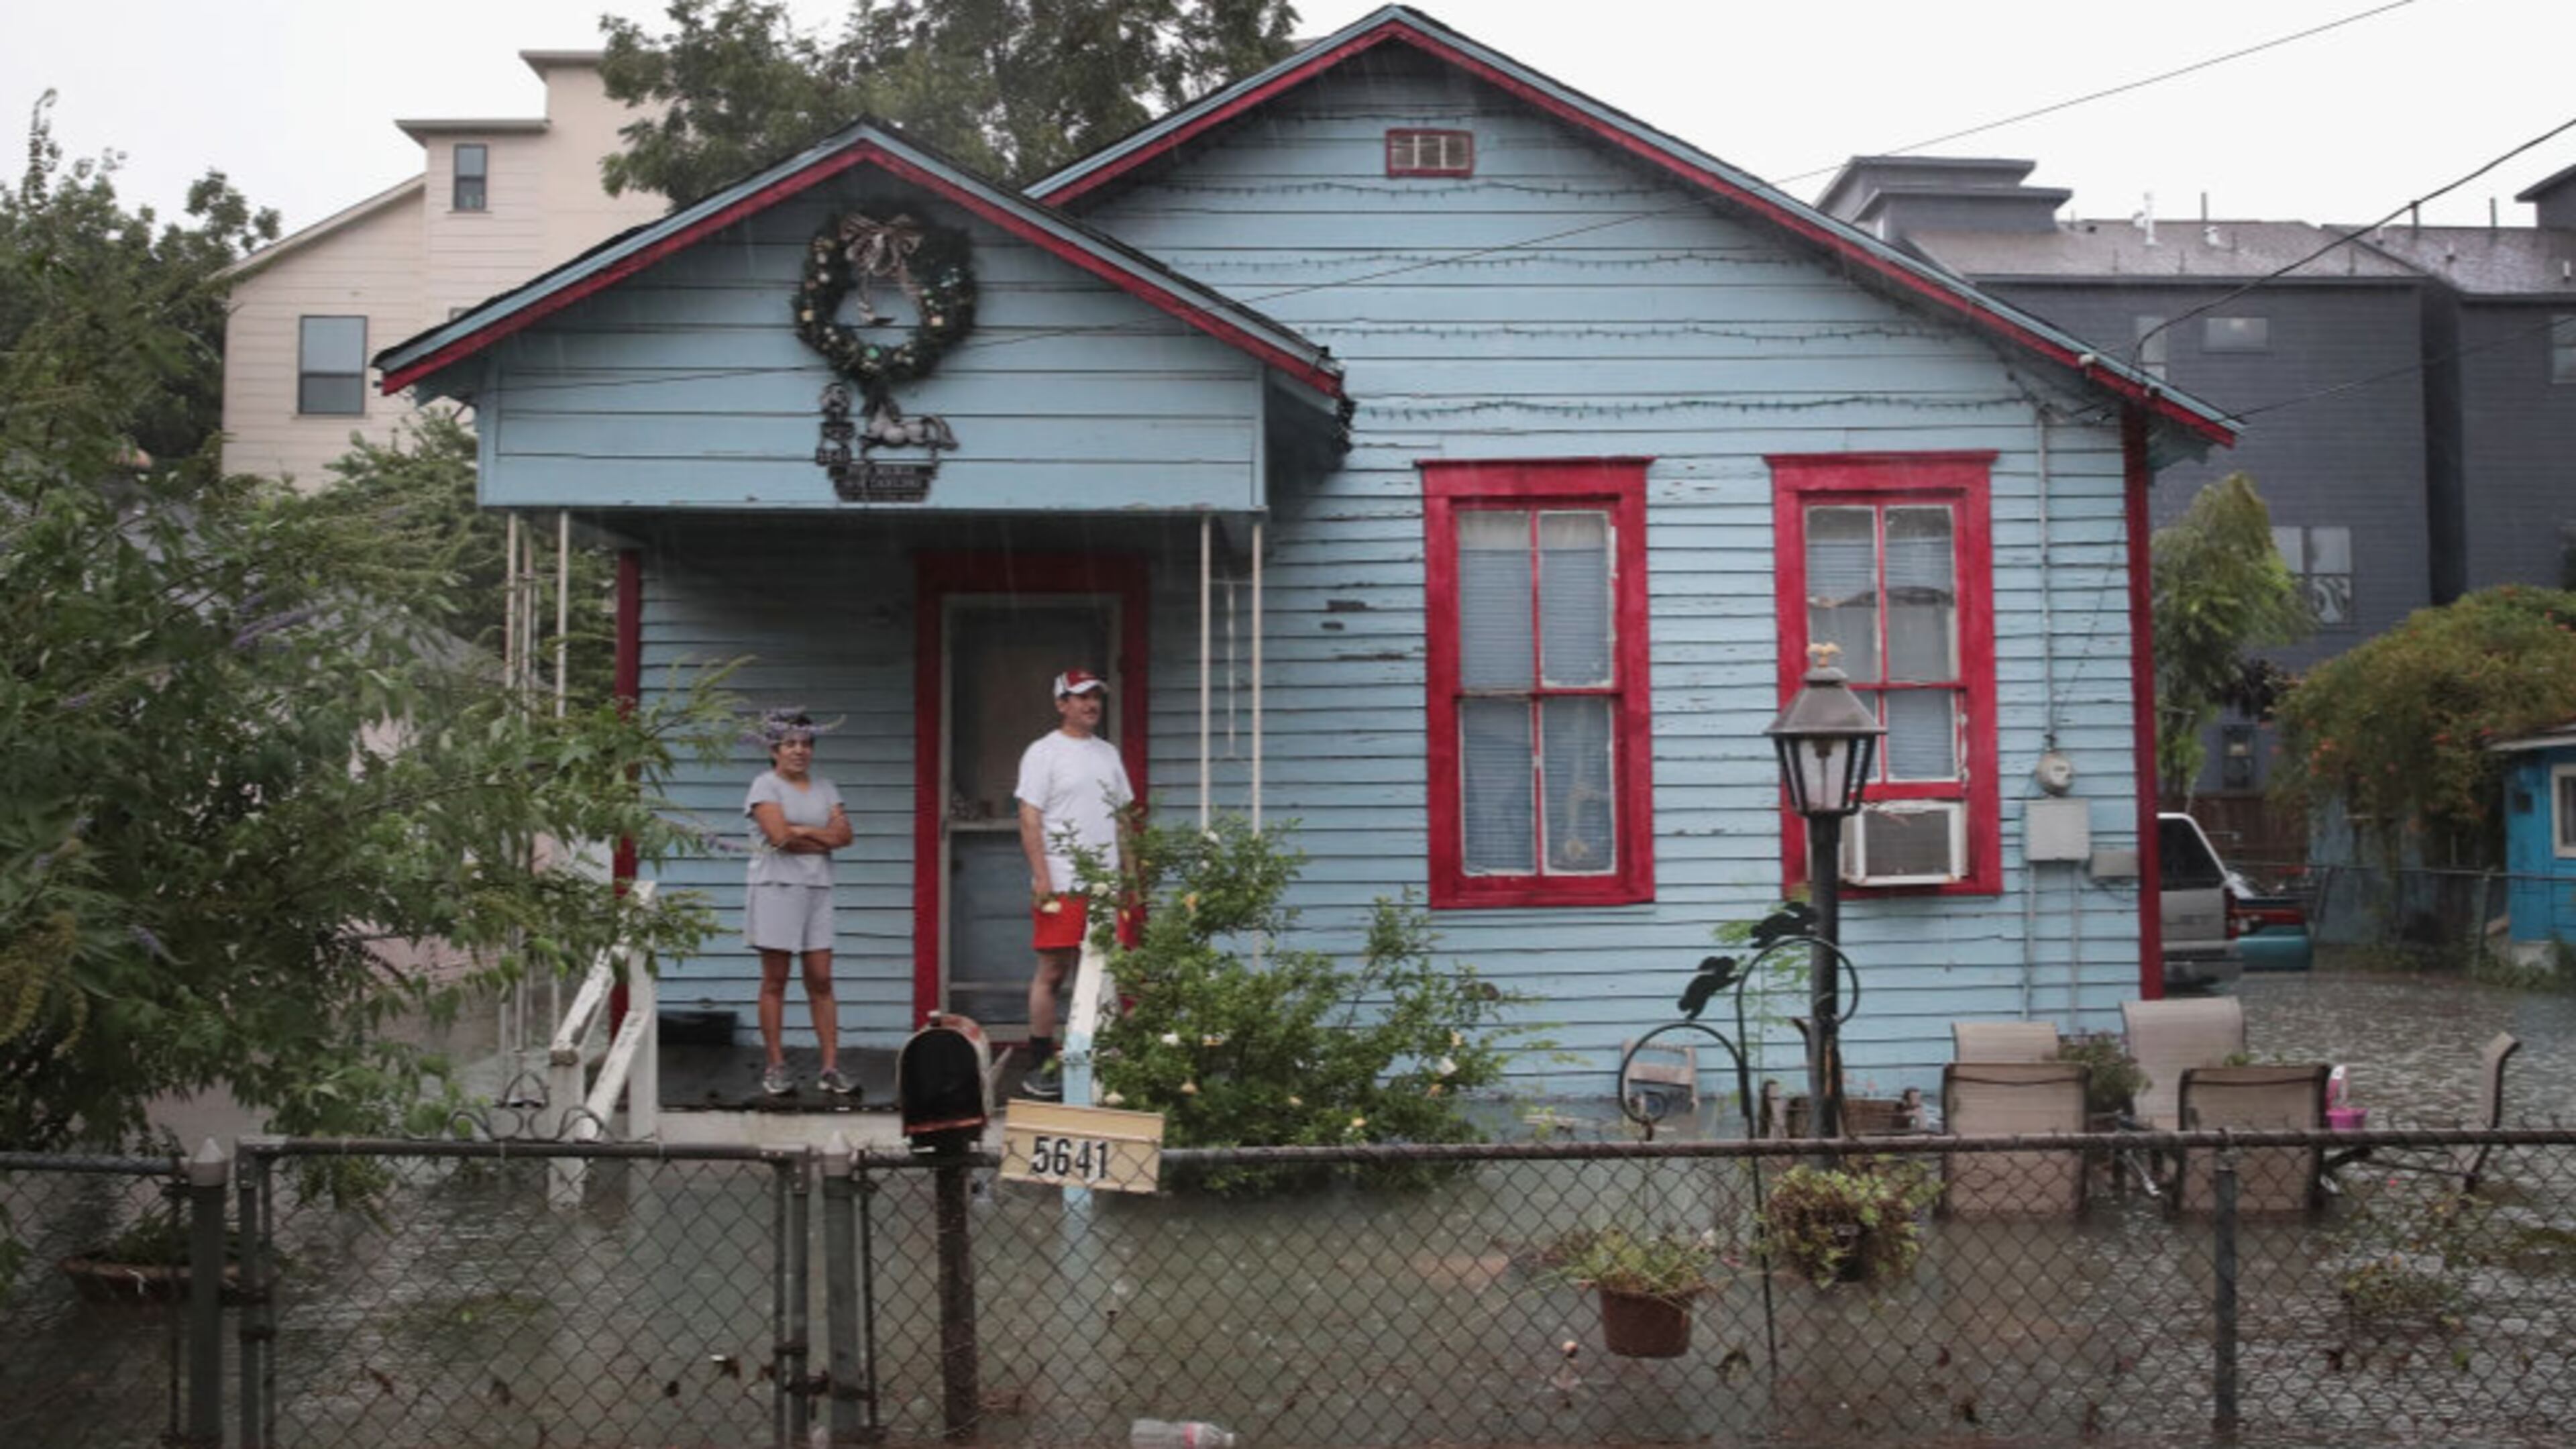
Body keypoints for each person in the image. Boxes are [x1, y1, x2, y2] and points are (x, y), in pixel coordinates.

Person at [1013, 669, 1135, 1101]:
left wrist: (1131, 873)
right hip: (1063, 880)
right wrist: (1043, 875)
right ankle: (1042, 1061)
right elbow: (1030, 816)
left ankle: (1096, 1058)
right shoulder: (1043, 752)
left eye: (1096, 697)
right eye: (1081, 697)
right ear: (1061, 703)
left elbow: (1122, 817)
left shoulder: (1108, 754)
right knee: (1053, 970)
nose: (1091, 705)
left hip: (1106, 884)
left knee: (1104, 970)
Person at [744, 708, 856, 1097]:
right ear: (774, 749)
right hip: (776, 886)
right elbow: (778, 837)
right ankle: (776, 1065)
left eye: (806, 744)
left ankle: (830, 1067)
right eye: (790, 744)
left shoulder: (826, 787)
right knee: (776, 979)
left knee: (821, 978)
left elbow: (845, 836)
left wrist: (805, 830)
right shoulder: (765, 786)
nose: (799, 751)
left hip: (817, 889)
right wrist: (819, 834)